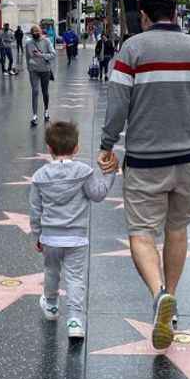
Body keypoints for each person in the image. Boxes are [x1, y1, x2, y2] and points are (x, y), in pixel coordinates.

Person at [98, 0, 190, 351]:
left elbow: (118, 104)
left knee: (141, 233)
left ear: (144, 15)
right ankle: (173, 301)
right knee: (177, 229)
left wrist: (108, 144)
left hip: (145, 161)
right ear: (175, 13)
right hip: (188, 158)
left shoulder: (132, 49)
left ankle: (158, 296)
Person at [30, 121, 115, 339]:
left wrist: (37, 235)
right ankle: (75, 320)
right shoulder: (84, 172)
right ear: (76, 148)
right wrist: (110, 172)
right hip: (76, 238)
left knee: (51, 272)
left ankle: (50, 305)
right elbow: (98, 194)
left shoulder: (40, 177)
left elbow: (35, 210)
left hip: (50, 237)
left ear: (49, 149)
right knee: (75, 278)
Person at [25, 24, 57, 127]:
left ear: (40, 33)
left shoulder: (46, 41)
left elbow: (53, 54)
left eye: (37, 33)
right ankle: (34, 115)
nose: (35, 35)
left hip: (45, 70)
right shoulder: (28, 43)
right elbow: (27, 57)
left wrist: (41, 55)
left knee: (45, 91)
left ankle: (46, 110)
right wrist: (29, 67)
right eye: (33, 34)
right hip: (33, 70)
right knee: (35, 91)